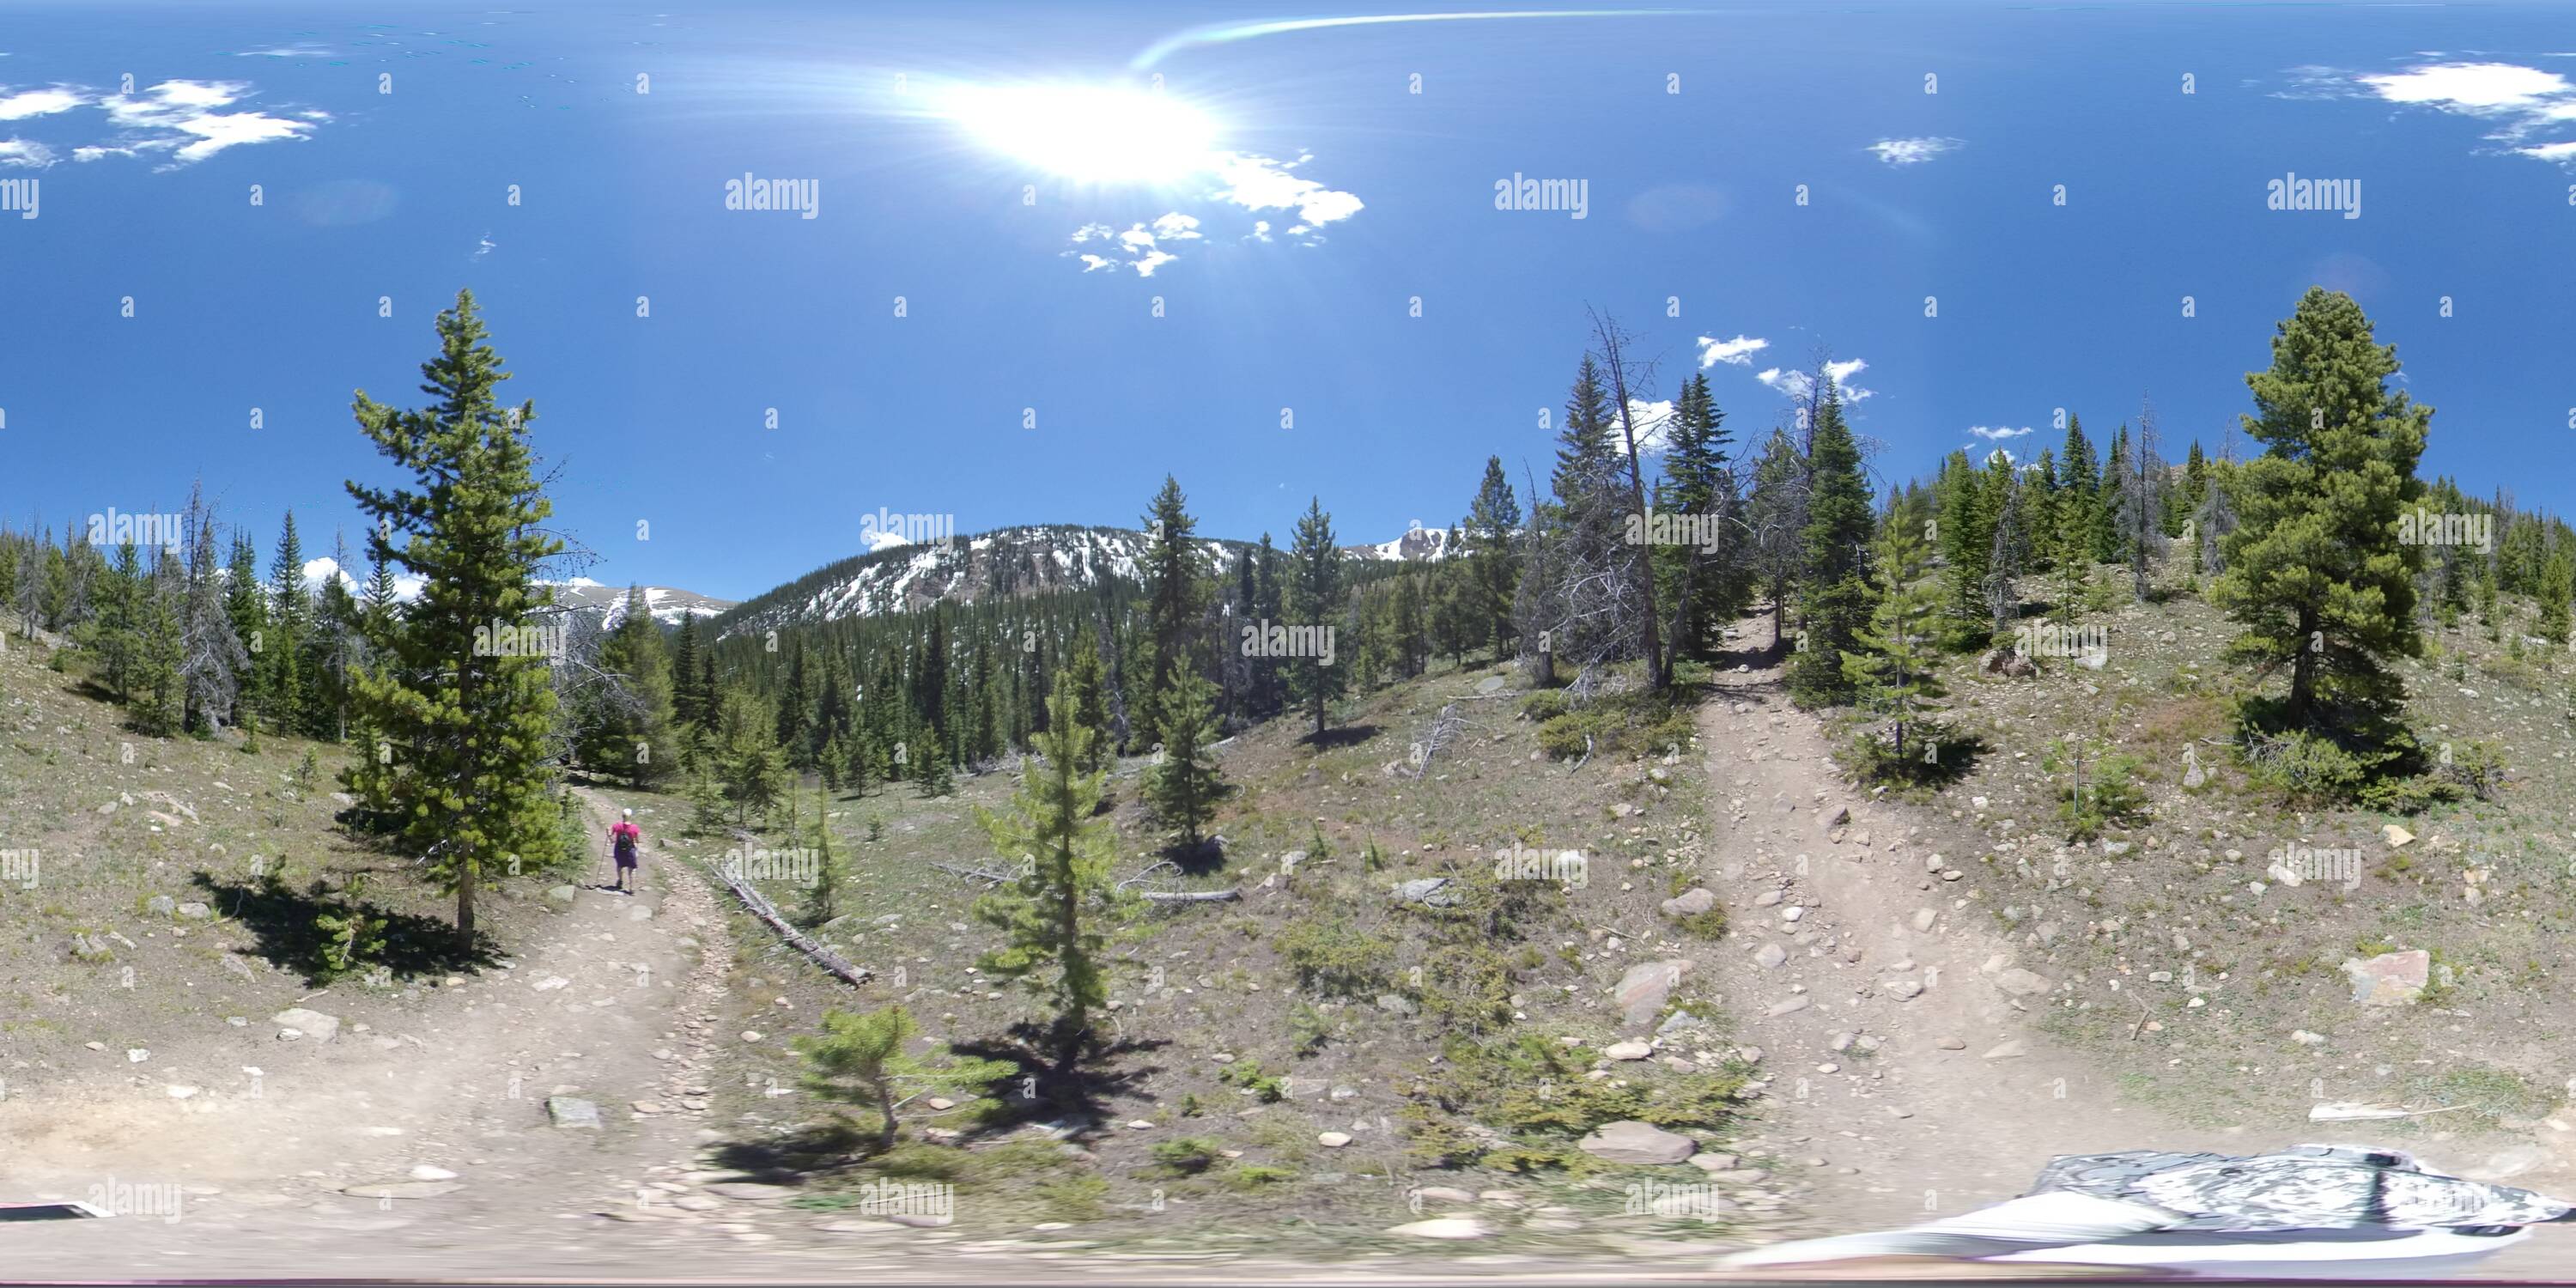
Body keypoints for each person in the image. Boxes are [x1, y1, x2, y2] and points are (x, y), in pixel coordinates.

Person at [609, 808, 642, 894]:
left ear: (622, 816)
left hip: (619, 849)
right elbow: (638, 840)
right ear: (630, 816)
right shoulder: (635, 828)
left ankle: (620, 881)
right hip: (630, 850)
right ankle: (632, 888)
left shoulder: (617, 826)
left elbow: (612, 839)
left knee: (620, 866)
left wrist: (608, 834)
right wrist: (637, 850)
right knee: (632, 869)